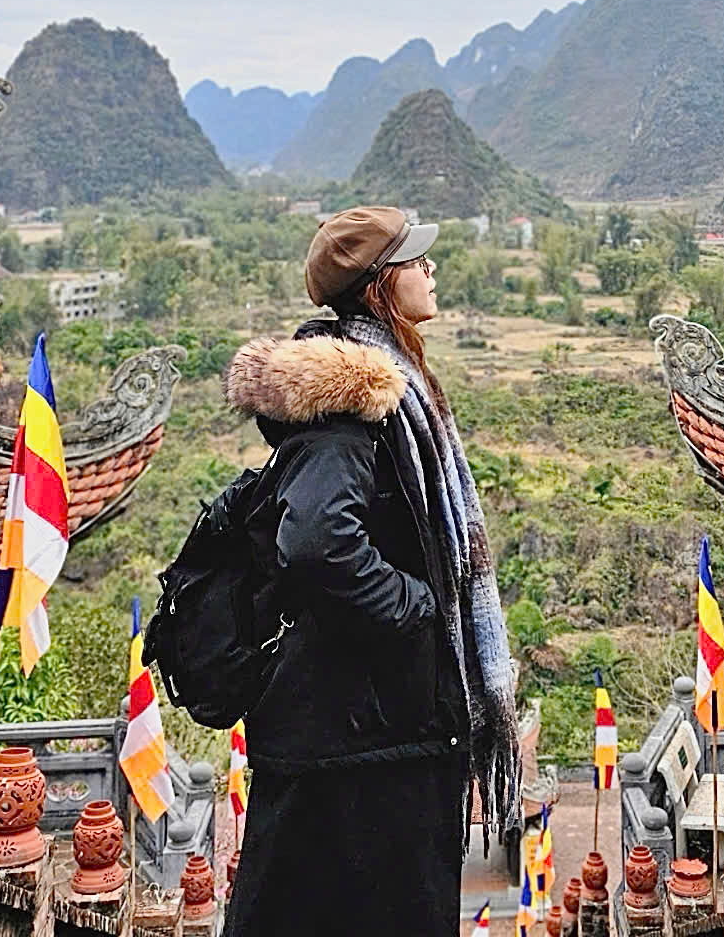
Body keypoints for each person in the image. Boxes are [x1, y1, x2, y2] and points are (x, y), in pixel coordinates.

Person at [221, 207, 520, 936]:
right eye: (416, 261)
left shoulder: (387, 388)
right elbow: (318, 538)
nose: (431, 270)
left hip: (364, 739)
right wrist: (421, 608)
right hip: (360, 748)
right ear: (380, 284)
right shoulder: (352, 401)